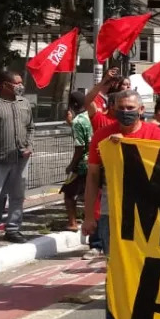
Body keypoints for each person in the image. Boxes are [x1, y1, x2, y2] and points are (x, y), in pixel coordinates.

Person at [81, 90, 160, 319]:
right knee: (115, 269)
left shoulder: (155, 134)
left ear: (141, 110)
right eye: (120, 107)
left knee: (147, 267)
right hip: (112, 211)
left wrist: (128, 148)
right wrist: (88, 216)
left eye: (130, 107)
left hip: (147, 209)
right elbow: (94, 177)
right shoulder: (102, 136)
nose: (125, 111)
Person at [0, 71, 34, 248]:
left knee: (17, 196)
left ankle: (13, 229)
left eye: (21, 83)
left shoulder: (24, 103)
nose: (20, 86)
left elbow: (31, 127)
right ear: (4, 84)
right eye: (16, 83)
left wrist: (30, 146)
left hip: (20, 159)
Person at [61, 91, 92, 233]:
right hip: (93, 162)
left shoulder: (78, 121)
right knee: (89, 194)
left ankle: (72, 222)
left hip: (82, 164)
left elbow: (79, 147)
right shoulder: (89, 117)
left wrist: (71, 165)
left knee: (68, 193)